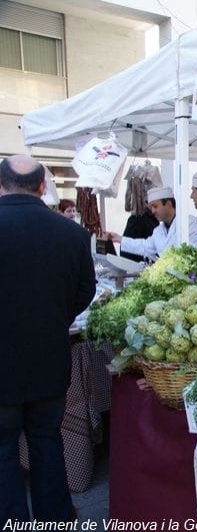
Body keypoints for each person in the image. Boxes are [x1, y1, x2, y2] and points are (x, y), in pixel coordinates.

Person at [0, 155, 96, 520]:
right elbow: (85, 291)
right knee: (46, 442)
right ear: (43, 187)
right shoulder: (72, 234)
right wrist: (55, 319)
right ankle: (54, 521)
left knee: (3, 451)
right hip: (49, 362)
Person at [105, 186, 197, 262]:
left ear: (168, 204)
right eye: (151, 207)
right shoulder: (158, 231)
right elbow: (145, 246)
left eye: (155, 206)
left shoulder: (191, 224)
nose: (152, 211)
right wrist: (119, 239)